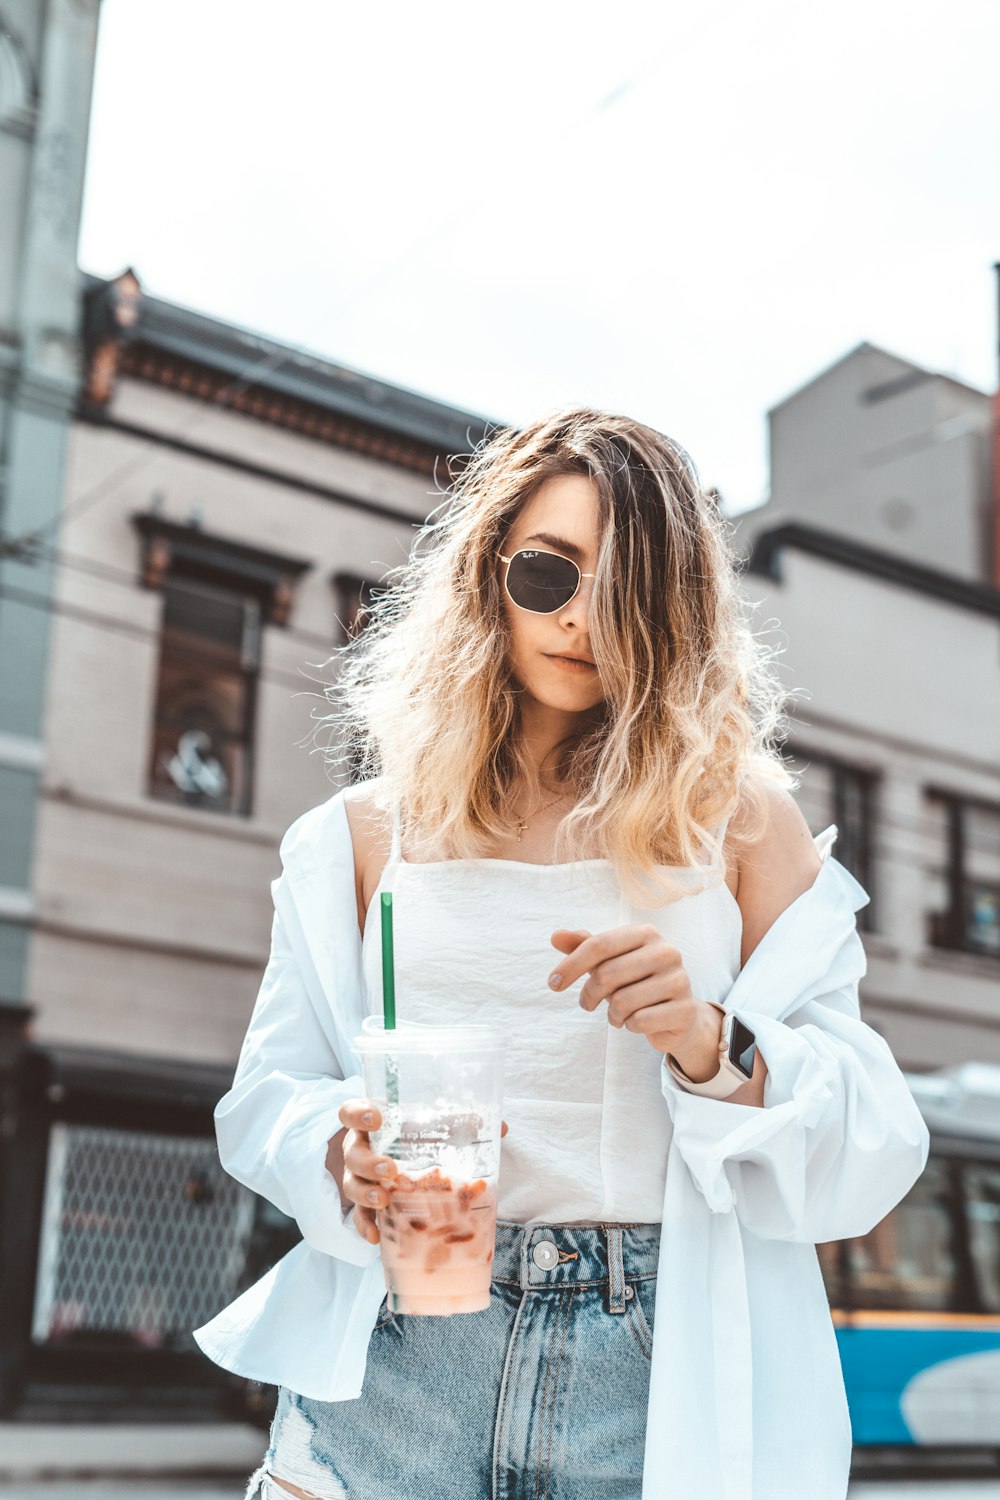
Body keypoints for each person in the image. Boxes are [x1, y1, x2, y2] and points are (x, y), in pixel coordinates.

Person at [193, 408, 929, 1500]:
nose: (580, 618)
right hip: (400, 1351)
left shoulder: (737, 825)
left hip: (645, 1367)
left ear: (671, 613)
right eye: (548, 574)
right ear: (486, 577)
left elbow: (874, 1143)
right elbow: (267, 1101)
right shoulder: (358, 835)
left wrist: (710, 1043)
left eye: (623, 589)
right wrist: (335, 1159)